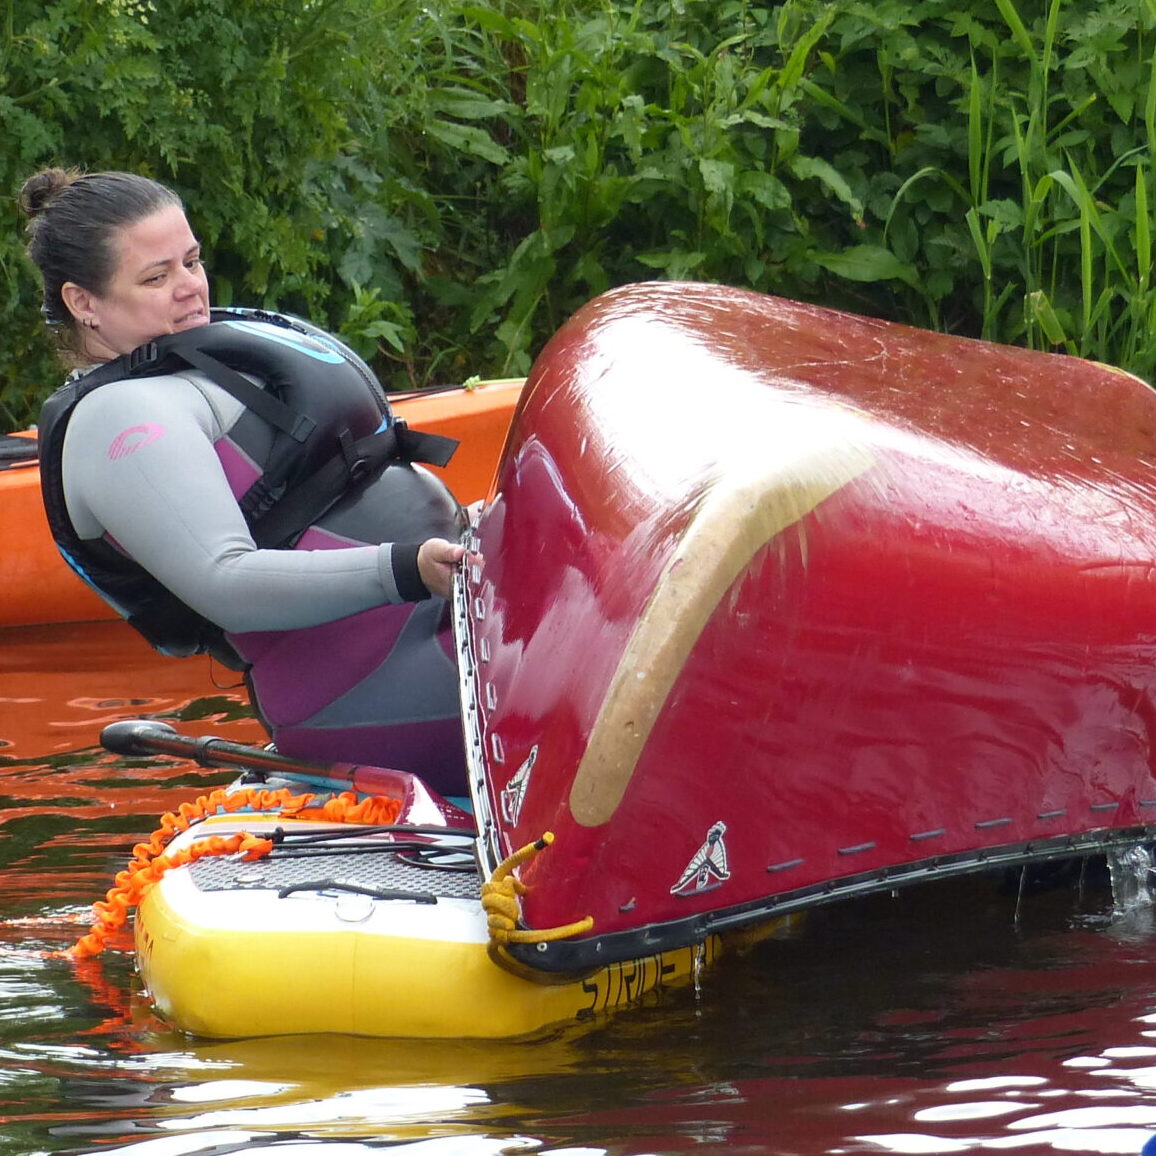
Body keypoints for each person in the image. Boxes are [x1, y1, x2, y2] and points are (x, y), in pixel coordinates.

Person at [21, 167, 471, 795]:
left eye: (190, 261)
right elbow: (225, 582)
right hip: (380, 690)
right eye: (156, 277)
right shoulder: (116, 419)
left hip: (451, 625)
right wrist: (411, 567)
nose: (188, 289)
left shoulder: (204, 363)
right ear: (83, 303)